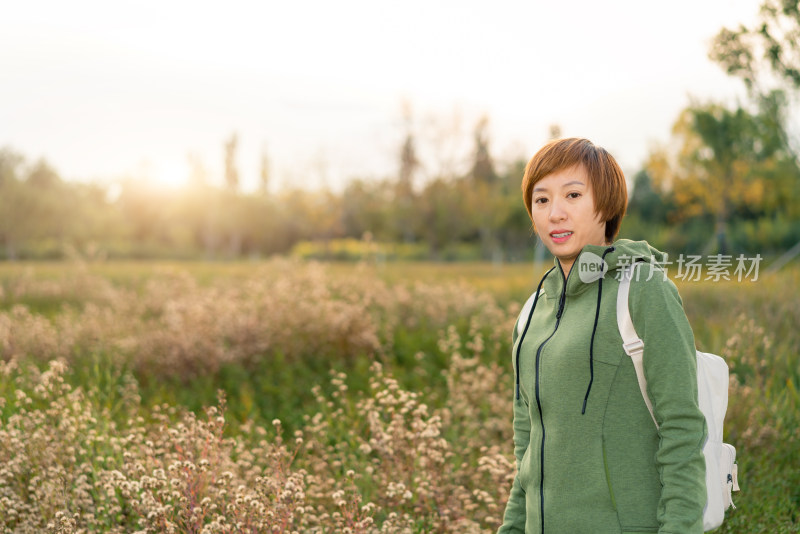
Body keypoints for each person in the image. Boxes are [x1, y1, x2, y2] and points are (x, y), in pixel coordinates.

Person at [498, 138, 706, 533]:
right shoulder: (531, 313)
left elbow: (683, 430)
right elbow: (526, 450)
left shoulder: (643, 290)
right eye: (541, 201)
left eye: (572, 195)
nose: (555, 214)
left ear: (606, 205)